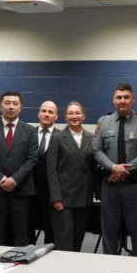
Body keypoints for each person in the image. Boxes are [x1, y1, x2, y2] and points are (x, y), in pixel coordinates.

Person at [92, 83, 137, 257]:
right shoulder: (103, 122)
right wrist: (112, 167)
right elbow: (96, 150)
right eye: (119, 97)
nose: (122, 101)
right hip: (109, 186)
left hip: (135, 186)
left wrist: (122, 170)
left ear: (133, 99)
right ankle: (109, 266)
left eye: (126, 97)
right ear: (113, 100)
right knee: (109, 230)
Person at [0, 91, 38, 246]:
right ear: (0, 106)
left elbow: (32, 159)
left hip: (21, 190)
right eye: (7, 103)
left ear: (21, 107)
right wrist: (2, 179)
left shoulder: (31, 131)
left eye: (15, 103)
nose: (11, 107)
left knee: (21, 234)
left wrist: (14, 180)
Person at [47, 102, 94, 252]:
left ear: (83, 116)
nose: (74, 116)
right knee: (64, 240)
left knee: (78, 239)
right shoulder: (57, 138)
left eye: (77, 113)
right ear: (65, 117)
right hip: (64, 198)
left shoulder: (91, 137)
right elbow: (51, 170)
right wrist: (56, 198)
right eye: (71, 113)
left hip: (84, 196)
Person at [29, 101, 59, 245]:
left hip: (51, 192)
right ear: (38, 114)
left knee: (51, 229)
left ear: (56, 116)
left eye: (50, 112)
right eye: (44, 111)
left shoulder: (61, 136)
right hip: (28, 190)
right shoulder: (28, 134)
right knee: (27, 227)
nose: (46, 114)